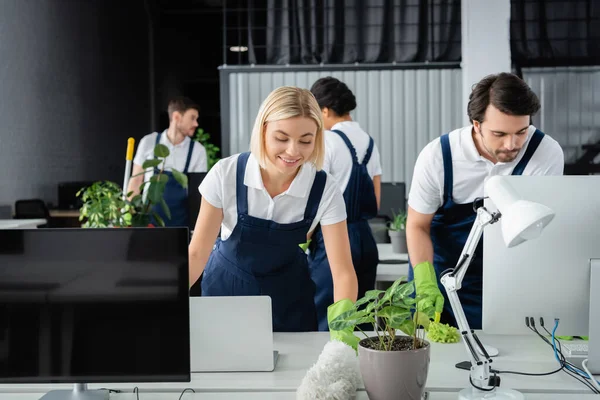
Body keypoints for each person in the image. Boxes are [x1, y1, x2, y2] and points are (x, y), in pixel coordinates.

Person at [188, 86, 359, 335]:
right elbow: (195, 256)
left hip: (289, 303)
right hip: (225, 295)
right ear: (263, 130)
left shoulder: (324, 189)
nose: (293, 151)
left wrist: (342, 330)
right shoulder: (226, 174)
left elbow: (343, 273)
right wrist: (167, 307)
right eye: (282, 138)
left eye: (305, 141)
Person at [406, 72, 564, 330]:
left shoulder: (545, 152)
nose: (512, 144)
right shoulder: (438, 156)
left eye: (521, 131)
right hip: (440, 277)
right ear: (476, 125)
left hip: (506, 280)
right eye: (499, 133)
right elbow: (417, 225)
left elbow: (537, 231)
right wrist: (425, 284)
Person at [308, 77, 383, 331]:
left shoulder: (326, 142)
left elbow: (313, 199)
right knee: (361, 325)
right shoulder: (370, 143)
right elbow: (377, 200)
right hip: (365, 239)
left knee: (327, 321)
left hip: (334, 242)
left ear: (325, 110)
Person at [128, 96, 207, 227]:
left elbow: (197, 196)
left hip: (182, 224)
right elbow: (136, 181)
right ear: (176, 117)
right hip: (149, 223)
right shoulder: (149, 142)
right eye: (192, 118)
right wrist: (129, 214)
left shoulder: (198, 151)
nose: (196, 124)